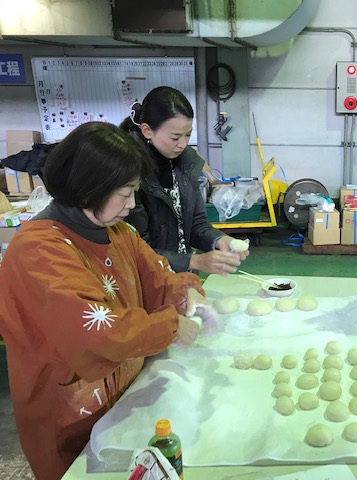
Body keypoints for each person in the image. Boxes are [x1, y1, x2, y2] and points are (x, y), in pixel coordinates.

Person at [0, 122, 215, 480]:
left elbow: (156, 276)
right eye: (125, 192)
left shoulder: (116, 231)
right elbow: (96, 333)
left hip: (125, 403)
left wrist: (184, 293)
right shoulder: (37, 252)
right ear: (88, 189)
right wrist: (170, 325)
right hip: (71, 418)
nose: (132, 205)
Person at [120, 86, 248, 275]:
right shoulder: (129, 172)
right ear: (147, 131)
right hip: (148, 281)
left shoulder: (185, 163)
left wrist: (219, 240)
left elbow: (195, 223)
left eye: (188, 134)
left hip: (182, 280)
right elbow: (137, 249)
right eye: (175, 137)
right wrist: (194, 261)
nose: (183, 144)